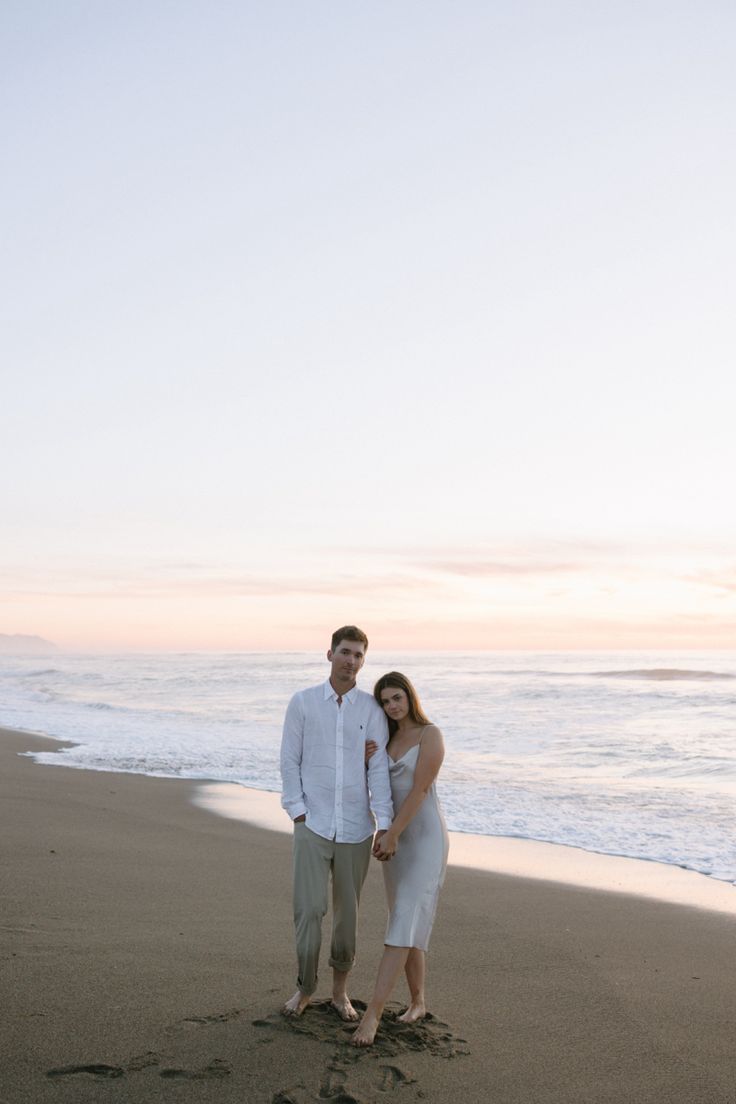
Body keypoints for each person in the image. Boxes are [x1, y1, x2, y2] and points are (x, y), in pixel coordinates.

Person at [280, 626, 394, 1020]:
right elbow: (289, 759)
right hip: (312, 824)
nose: (351, 660)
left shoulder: (371, 710)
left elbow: (378, 769)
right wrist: (296, 808)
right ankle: (305, 988)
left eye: (359, 655)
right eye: (345, 652)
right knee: (309, 910)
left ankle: (341, 993)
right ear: (329, 654)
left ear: (364, 660)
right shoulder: (304, 703)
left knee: (348, 916)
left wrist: (384, 821)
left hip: (356, 828)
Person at [351, 671, 448, 1047]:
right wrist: (361, 762)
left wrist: (392, 832)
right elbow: (376, 789)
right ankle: (418, 1002)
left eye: (397, 698)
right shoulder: (385, 738)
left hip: (424, 840)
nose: (392, 706)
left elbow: (421, 789)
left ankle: (373, 1014)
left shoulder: (430, 734)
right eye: (386, 701)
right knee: (405, 920)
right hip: (394, 842)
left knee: (405, 917)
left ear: (410, 697)